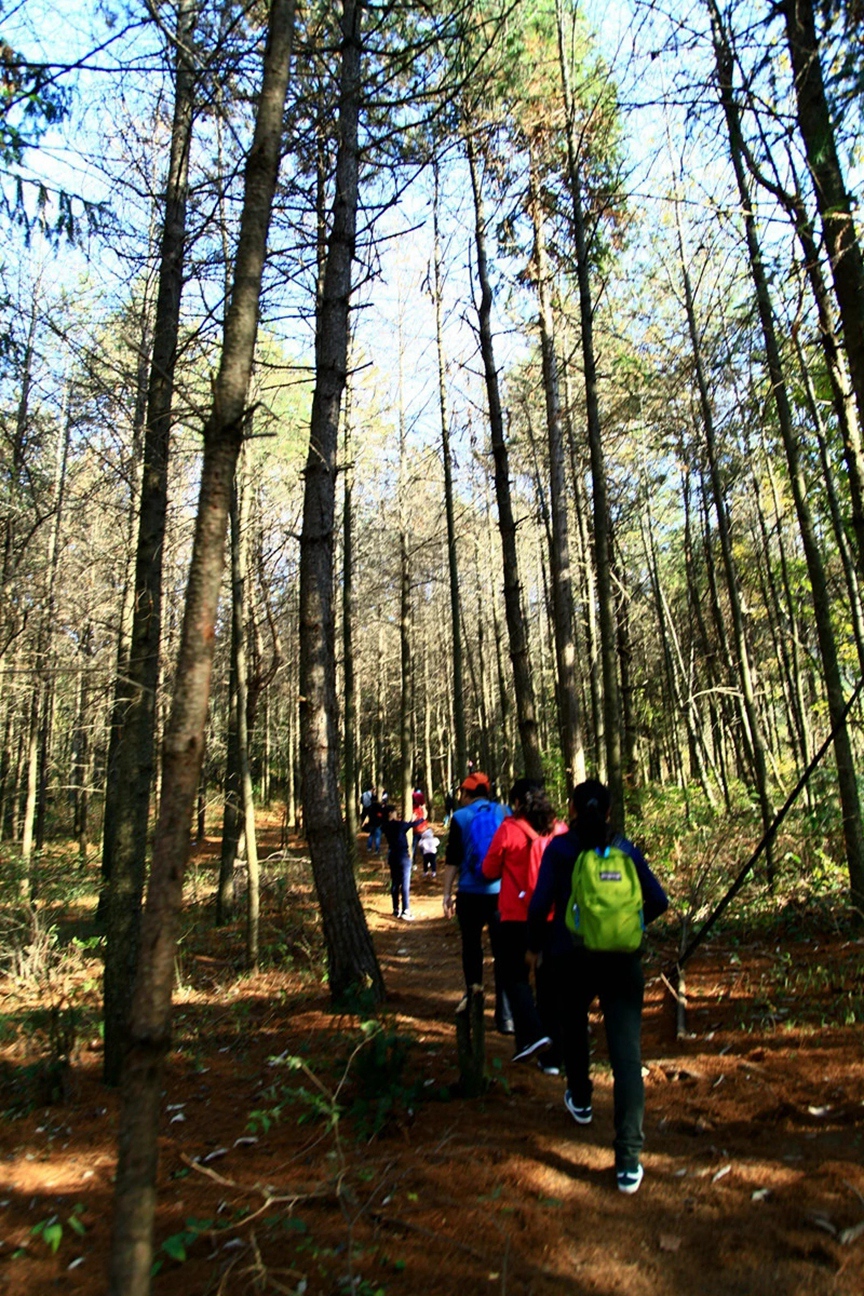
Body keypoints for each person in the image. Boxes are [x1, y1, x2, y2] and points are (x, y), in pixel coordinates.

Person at [527, 779, 668, 1195]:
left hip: (570, 957)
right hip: (623, 963)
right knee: (627, 1058)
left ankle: (581, 1097)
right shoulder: (625, 849)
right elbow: (657, 900)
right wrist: (628, 930)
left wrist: (534, 947)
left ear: (570, 810)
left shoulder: (561, 849)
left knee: (572, 1023)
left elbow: (539, 903)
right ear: (608, 812)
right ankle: (628, 1161)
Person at [482, 779, 567, 1062]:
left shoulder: (508, 829)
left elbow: (489, 869)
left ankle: (531, 1035)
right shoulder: (560, 829)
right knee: (550, 985)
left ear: (516, 802)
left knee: (515, 978)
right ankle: (552, 1059)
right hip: (554, 917)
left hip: (516, 917)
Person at [442, 771, 512, 1032]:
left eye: (462, 792)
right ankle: (505, 1015)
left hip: (470, 893)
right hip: (501, 893)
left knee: (471, 948)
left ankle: (473, 1003)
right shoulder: (504, 812)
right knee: (502, 952)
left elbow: (453, 859)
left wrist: (447, 894)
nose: (460, 796)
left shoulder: (460, 817)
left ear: (468, 794)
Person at [382, 805, 417, 920]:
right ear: (391, 813)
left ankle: (396, 909)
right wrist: (419, 818)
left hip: (392, 856)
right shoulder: (399, 825)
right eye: (395, 812)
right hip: (403, 855)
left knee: (395, 883)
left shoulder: (385, 826)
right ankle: (406, 910)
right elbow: (412, 825)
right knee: (405, 883)